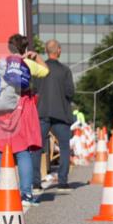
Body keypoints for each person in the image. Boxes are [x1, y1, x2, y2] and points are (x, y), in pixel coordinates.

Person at [0, 34, 48, 209]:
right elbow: (45, 71)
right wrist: (36, 57)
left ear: (9, 47)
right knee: (22, 152)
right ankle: (26, 194)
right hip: (20, 111)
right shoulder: (27, 64)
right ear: (24, 49)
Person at [34, 39, 75, 192]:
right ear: (58, 50)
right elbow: (70, 92)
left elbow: (34, 89)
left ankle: (36, 183)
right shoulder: (65, 70)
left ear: (46, 51)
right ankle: (63, 182)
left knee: (37, 147)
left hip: (42, 112)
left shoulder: (39, 69)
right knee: (64, 147)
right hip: (61, 113)